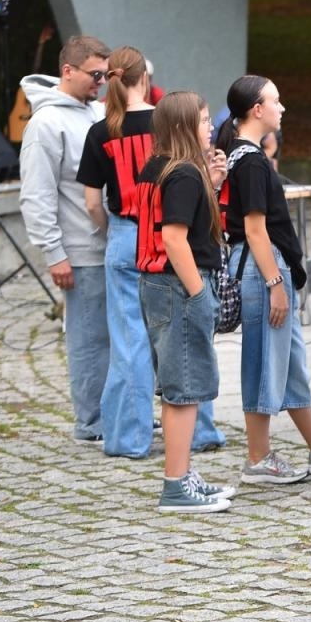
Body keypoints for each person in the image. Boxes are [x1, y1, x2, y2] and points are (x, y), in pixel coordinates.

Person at [79, 45, 225, 458]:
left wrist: (117, 231)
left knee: (130, 342)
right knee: (189, 336)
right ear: (145, 78)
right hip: (174, 236)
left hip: (127, 232)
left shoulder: (101, 131)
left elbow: (91, 202)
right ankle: (202, 431)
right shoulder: (169, 127)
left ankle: (129, 437)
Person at [218, 75, 311, 486]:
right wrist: (274, 283)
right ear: (256, 110)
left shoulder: (244, 156)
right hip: (264, 267)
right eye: (275, 101)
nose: (282, 108)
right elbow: (255, 230)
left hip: (267, 265)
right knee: (265, 361)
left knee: (291, 364)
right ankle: (258, 457)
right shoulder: (248, 161)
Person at [133, 92, 235, 513]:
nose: (210, 126)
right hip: (177, 286)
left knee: (180, 385)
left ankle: (183, 473)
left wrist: (210, 185)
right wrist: (198, 293)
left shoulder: (159, 168)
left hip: (158, 284)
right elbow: (174, 237)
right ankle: (175, 485)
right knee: (184, 388)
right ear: (182, 127)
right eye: (204, 120)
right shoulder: (183, 175)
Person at [18, 35, 111, 445]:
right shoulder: (45, 123)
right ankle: (91, 421)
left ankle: (116, 409)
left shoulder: (98, 111)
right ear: (68, 70)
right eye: (95, 75)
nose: (101, 83)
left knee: (114, 336)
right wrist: (55, 253)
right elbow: (36, 194)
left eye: (106, 76)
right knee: (89, 339)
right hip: (79, 249)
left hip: (111, 244)